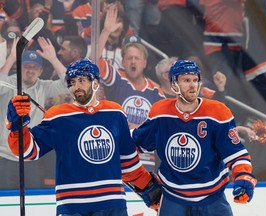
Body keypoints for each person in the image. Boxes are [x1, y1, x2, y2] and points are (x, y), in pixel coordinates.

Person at [6, 58, 162, 215]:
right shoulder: (58, 116)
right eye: (72, 82)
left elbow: (128, 161)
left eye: (82, 80)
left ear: (95, 83)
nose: (76, 86)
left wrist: (149, 188)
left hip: (112, 202)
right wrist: (17, 125)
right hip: (72, 205)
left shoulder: (115, 112)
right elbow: (27, 151)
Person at [132, 60, 257, 215]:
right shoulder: (160, 113)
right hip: (173, 198)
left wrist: (243, 176)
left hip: (213, 198)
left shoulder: (218, 112)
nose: (193, 85)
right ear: (174, 85)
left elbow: (236, 154)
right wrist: (142, 182)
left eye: (195, 80)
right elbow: (131, 148)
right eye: (186, 80)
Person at [98, 5, 166, 171]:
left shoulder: (157, 92)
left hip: (146, 161)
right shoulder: (117, 79)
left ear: (145, 63)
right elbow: (95, 60)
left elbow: (163, 127)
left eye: (137, 58)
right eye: (129, 58)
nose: (133, 62)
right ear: (123, 61)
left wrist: (141, 130)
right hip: (117, 156)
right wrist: (105, 32)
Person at [0, 39, 69, 189]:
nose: (30, 70)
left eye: (35, 67)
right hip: (5, 158)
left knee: (33, 202)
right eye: (26, 66)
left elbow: (69, 85)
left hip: (31, 159)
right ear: (19, 67)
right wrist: (12, 57)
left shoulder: (43, 86)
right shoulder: (8, 82)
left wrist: (53, 58)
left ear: (41, 71)